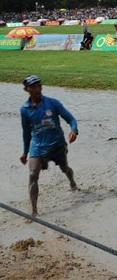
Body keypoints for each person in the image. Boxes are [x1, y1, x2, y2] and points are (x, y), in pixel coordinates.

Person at [19, 75, 79, 222]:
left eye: (39, 85)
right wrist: (25, 152)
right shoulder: (25, 110)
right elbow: (26, 132)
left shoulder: (52, 103)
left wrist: (74, 129)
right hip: (37, 146)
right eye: (33, 87)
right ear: (27, 89)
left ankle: (72, 182)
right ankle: (33, 211)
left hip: (57, 144)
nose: (37, 89)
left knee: (65, 168)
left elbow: (70, 118)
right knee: (33, 174)